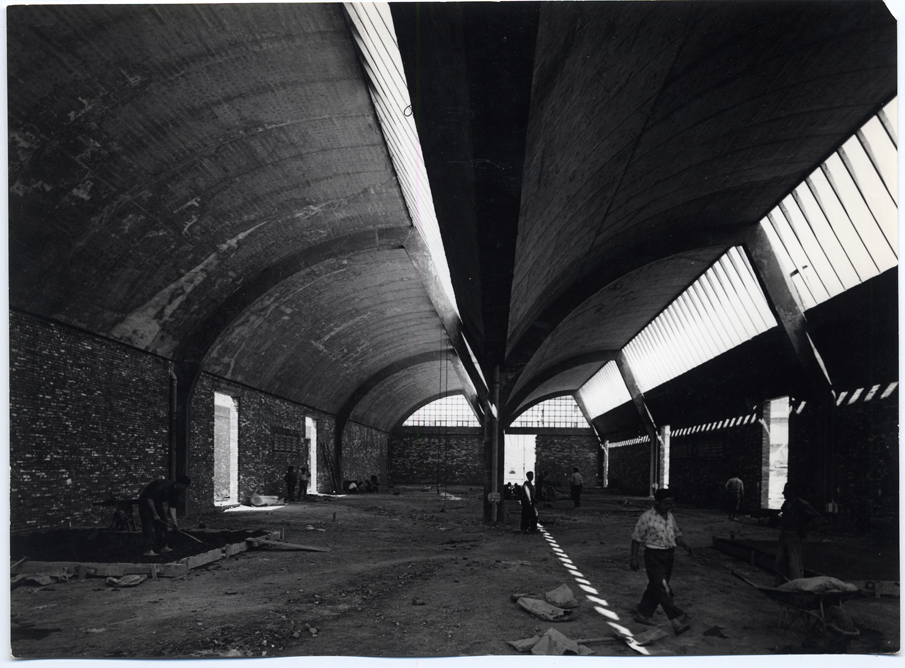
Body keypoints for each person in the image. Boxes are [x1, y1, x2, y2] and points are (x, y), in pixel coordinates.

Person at [629, 488, 693, 635]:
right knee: (662, 588)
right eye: (666, 503)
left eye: (671, 504)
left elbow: (676, 535)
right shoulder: (647, 517)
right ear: (657, 502)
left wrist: (685, 545)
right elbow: (636, 538)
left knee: (656, 586)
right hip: (653, 556)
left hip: (669, 556)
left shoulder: (670, 516)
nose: (669, 507)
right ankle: (676, 619)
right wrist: (633, 557)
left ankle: (643, 614)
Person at [773, 482, 824, 585]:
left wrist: (805, 528)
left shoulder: (802, 505)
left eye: (786, 492)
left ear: (792, 493)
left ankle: (797, 584)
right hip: (785, 534)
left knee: (794, 562)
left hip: (794, 535)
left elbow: (818, 519)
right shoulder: (787, 504)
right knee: (781, 561)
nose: (783, 494)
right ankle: (781, 583)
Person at [138, 476, 191, 557]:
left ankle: (163, 547)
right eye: (185, 486)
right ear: (180, 484)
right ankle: (148, 550)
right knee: (148, 525)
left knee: (163, 522)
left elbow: (172, 507)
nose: (184, 489)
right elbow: (149, 499)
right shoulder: (163, 486)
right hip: (145, 502)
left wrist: (175, 523)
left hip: (157, 502)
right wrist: (155, 514)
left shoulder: (176, 491)